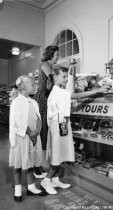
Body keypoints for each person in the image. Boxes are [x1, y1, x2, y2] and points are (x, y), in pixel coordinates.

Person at [40, 66, 109, 194]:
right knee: (57, 156)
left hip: (62, 125)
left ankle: (55, 179)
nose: (66, 79)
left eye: (67, 76)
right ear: (55, 77)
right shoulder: (57, 91)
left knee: (60, 155)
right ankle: (46, 180)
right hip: (58, 126)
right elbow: (76, 95)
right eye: (64, 76)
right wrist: (98, 90)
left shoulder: (59, 90)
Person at [9, 75, 47, 202]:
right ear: (24, 86)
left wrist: (37, 131)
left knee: (30, 163)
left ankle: (31, 187)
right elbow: (17, 122)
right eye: (33, 84)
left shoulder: (33, 102)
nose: (35, 86)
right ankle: (18, 189)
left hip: (33, 138)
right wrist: (31, 133)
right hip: (22, 138)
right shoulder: (16, 102)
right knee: (18, 164)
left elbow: (38, 118)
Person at [33, 45, 59, 178]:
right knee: (40, 132)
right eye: (56, 54)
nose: (57, 57)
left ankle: (38, 164)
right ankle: (36, 166)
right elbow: (51, 83)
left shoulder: (48, 65)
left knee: (43, 132)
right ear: (51, 54)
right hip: (42, 100)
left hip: (45, 99)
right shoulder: (46, 64)